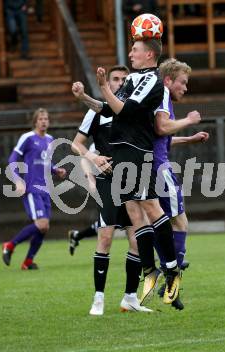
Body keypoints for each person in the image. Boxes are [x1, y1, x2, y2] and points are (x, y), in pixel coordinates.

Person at [81, 38, 180, 306]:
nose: (131, 54)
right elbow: (108, 109)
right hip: (121, 150)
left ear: (149, 54)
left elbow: (126, 109)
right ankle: (151, 270)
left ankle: (172, 268)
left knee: (150, 206)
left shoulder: (151, 79)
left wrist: (103, 87)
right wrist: (86, 97)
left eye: (135, 50)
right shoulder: (132, 79)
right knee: (135, 214)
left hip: (137, 149)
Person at [71, 65, 152, 315]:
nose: (119, 82)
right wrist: (93, 159)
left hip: (133, 179)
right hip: (108, 181)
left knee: (136, 240)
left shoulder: (133, 111)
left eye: (123, 79)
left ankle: (130, 298)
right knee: (105, 237)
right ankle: (98, 299)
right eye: (115, 79)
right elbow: (76, 145)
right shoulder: (98, 111)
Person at [153, 58, 210, 310]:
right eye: (183, 82)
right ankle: (171, 277)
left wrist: (189, 139)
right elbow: (163, 127)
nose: (185, 88)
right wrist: (189, 120)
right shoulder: (162, 95)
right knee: (180, 222)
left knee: (157, 222)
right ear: (168, 80)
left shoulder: (154, 96)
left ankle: (168, 266)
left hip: (145, 166)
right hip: (159, 168)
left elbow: (161, 137)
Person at [2, 108, 67, 270]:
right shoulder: (28, 138)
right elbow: (12, 159)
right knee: (42, 223)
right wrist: (17, 180)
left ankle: (28, 262)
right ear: (35, 121)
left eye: (46, 119)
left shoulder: (50, 139)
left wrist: (55, 169)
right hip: (32, 187)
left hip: (46, 189)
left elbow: (46, 163)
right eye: (41, 119)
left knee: (44, 228)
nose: (44, 121)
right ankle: (10, 245)